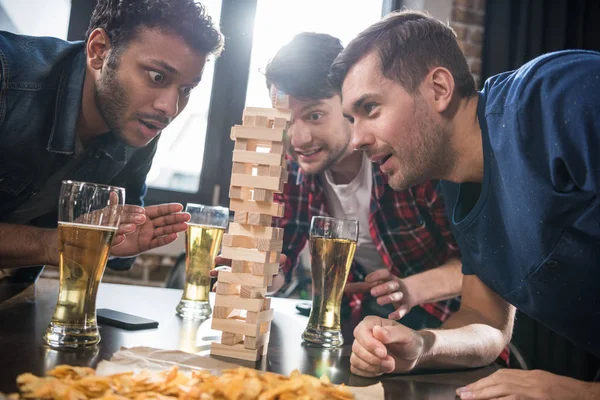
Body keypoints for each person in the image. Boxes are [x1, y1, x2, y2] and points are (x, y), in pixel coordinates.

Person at [328, 9, 600, 399]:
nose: (356, 140)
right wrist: (422, 346)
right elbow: (485, 319)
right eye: (351, 119)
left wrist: (577, 394)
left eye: (370, 109)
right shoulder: (456, 184)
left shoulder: (557, 96)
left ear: (438, 88)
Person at [0, 0, 224, 281]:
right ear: (99, 51)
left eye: (187, 89)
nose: (170, 107)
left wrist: (118, 241)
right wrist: (56, 242)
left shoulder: (139, 125)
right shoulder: (8, 77)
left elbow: (117, 246)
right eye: (157, 76)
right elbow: (64, 241)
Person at [260, 32, 466, 333]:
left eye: (315, 115)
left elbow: (480, 267)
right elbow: (282, 260)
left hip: (448, 323)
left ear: (349, 103)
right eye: (286, 120)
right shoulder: (294, 172)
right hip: (361, 322)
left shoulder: (411, 162)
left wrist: (406, 288)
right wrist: (254, 270)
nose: (298, 139)